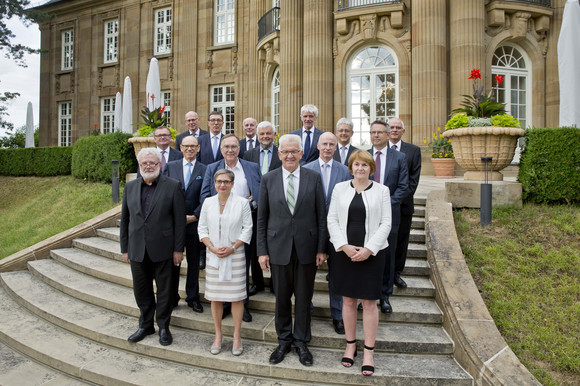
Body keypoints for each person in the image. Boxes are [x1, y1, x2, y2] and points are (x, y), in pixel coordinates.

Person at [257, 134, 327, 367]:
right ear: (279, 154)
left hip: (307, 248)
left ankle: (301, 341)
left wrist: (321, 248)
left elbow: (321, 216)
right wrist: (262, 251)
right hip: (278, 249)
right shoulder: (268, 179)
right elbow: (262, 219)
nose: (289, 155)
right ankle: (284, 340)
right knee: (282, 298)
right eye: (285, 151)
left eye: (293, 151)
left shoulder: (314, 178)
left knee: (304, 297)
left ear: (301, 154)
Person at [327, 150, 391, 376]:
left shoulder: (382, 191)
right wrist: (343, 246)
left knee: (370, 303)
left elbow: (386, 223)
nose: (360, 169)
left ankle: (369, 352)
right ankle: (350, 345)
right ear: (351, 167)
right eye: (356, 165)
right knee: (348, 301)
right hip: (345, 253)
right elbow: (331, 219)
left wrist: (369, 249)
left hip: (372, 254)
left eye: (365, 165)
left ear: (371, 168)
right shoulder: (339, 189)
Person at [120, 148, 186, 347]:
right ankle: (146, 324)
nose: (148, 166)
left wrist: (178, 249)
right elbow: (125, 220)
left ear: (160, 165)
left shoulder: (173, 186)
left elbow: (179, 221)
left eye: (152, 163)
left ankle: (164, 326)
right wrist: (125, 248)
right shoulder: (130, 187)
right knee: (141, 290)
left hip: (164, 249)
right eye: (144, 164)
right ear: (139, 166)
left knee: (165, 291)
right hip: (138, 249)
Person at [201, 134, 261, 322]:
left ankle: (242, 304)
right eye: (226, 146)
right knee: (219, 265)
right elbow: (205, 195)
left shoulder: (251, 167)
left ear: (239, 148)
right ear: (221, 150)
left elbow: (259, 192)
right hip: (218, 226)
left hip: (244, 223)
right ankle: (224, 305)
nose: (230, 150)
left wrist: (252, 202)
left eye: (234, 146)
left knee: (242, 266)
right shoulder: (212, 168)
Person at [198, 169, 253, 356]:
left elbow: (248, 229)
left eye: (226, 181)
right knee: (215, 297)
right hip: (213, 255)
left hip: (235, 255)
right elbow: (202, 229)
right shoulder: (207, 202)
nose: (222, 185)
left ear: (232, 183)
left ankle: (237, 336)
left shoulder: (242, 202)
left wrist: (233, 247)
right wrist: (212, 248)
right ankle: (218, 335)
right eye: (219, 181)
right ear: (214, 183)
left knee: (237, 297)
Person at [303, 132, 351, 335]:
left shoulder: (345, 171)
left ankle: (338, 316)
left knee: (337, 276)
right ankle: (307, 310)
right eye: (325, 144)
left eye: (332, 144)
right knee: (306, 275)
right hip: (311, 231)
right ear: (318, 145)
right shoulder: (305, 169)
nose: (328, 148)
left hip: (337, 233)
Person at [369, 120, 409, 314]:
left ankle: (384, 296)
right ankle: (366, 294)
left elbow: (404, 187)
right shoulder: (363, 156)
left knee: (387, 255)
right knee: (367, 255)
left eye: (379, 132)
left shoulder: (400, 158)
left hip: (390, 214)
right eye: (373, 132)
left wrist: (386, 203)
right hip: (366, 215)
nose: (376, 135)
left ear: (387, 135)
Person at [163, 135, 207, 313]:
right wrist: (177, 217)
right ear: (180, 148)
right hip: (174, 225)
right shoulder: (170, 167)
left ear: (198, 148)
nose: (189, 149)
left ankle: (193, 297)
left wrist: (194, 216)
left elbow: (207, 196)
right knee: (174, 263)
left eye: (193, 146)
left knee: (194, 264)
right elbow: (164, 193)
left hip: (195, 225)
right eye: (186, 146)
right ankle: (172, 297)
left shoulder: (205, 169)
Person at [388, 117, 422, 288]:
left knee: (401, 241)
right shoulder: (379, 150)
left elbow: (413, 181)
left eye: (397, 127)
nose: (394, 130)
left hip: (403, 206)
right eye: (391, 127)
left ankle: (396, 273)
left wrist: (397, 200)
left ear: (403, 131)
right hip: (380, 206)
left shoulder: (413, 151)